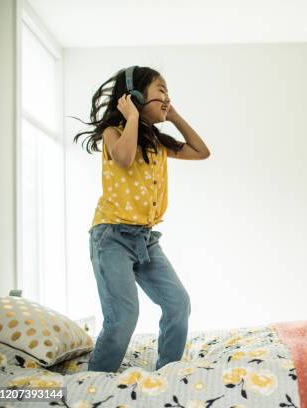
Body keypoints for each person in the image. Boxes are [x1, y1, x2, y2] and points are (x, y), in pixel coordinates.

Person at [72, 65, 210, 372]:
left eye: (168, 93)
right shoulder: (113, 133)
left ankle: (169, 372)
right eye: (161, 91)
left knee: (178, 303)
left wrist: (173, 116)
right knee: (123, 315)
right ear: (133, 96)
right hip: (111, 238)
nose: (166, 98)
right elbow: (124, 157)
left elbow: (201, 152)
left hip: (145, 239)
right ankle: (96, 379)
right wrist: (132, 116)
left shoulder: (159, 143)